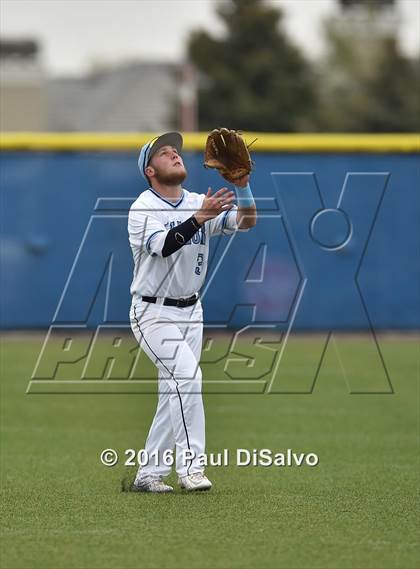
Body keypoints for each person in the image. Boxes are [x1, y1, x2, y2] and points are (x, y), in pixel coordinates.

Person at [128, 132, 257, 492]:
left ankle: (148, 474)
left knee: (175, 390)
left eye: (176, 150)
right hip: (152, 313)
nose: (174, 153)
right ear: (150, 171)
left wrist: (244, 187)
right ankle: (191, 470)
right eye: (163, 152)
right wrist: (200, 219)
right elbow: (164, 246)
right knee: (187, 378)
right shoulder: (142, 208)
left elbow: (246, 222)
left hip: (191, 311)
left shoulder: (200, 201)